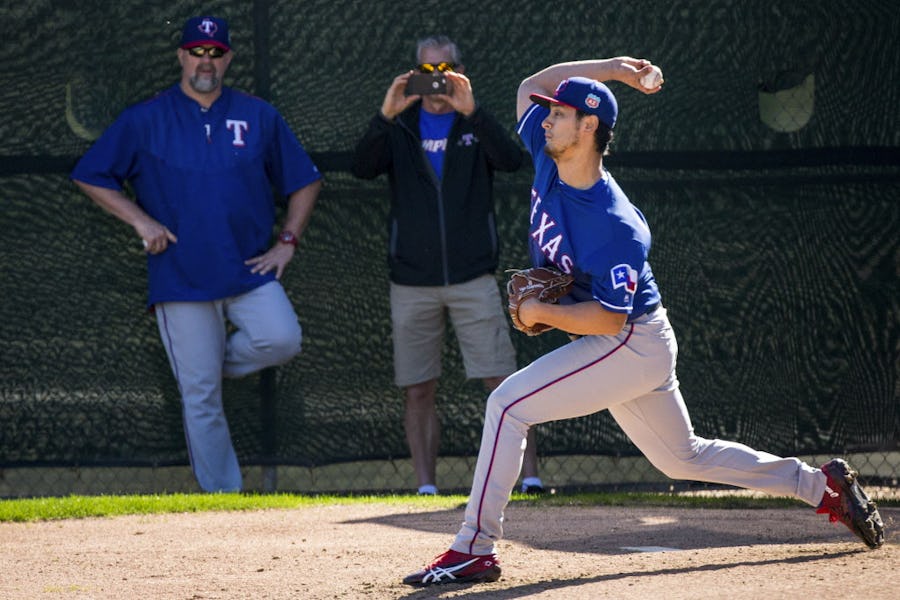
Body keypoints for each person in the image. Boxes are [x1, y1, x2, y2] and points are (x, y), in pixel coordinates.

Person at [402, 56, 885, 586]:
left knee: (508, 405)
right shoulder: (545, 152)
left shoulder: (616, 224)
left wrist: (541, 311)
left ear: (589, 128)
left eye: (559, 114)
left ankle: (474, 547)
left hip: (630, 342)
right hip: (636, 342)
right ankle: (821, 486)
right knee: (684, 457)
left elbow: (609, 320)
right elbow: (529, 85)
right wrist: (613, 68)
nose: (545, 119)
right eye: (549, 113)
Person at [71, 16, 323, 493]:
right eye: (197, 51)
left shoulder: (257, 115)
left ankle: (202, 368)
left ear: (227, 59)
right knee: (202, 400)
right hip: (180, 277)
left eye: (215, 53)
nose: (205, 61)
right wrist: (141, 221)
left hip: (248, 270)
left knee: (282, 338)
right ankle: (223, 499)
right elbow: (91, 174)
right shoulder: (145, 118)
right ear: (181, 56)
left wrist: (286, 243)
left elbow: (305, 181)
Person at [351, 36, 545, 496]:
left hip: (472, 277)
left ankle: (532, 478)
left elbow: (513, 160)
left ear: (459, 71)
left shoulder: (473, 124)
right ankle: (426, 487)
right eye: (427, 71)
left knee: (503, 382)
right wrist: (386, 114)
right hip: (411, 282)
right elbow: (361, 167)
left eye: (445, 70)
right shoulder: (399, 127)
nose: (436, 81)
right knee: (418, 387)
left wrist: (473, 111)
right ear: (412, 74)